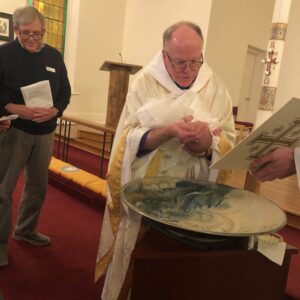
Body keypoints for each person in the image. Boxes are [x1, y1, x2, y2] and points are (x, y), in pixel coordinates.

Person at [95, 21, 236, 299]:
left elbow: (228, 139)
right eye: (179, 62)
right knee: (141, 264)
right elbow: (125, 140)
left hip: (195, 195)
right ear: (164, 55)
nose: (188, 70)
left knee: (183, 271)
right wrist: (168, 132)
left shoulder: (215, 85)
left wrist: (208, 144)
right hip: (147, 192)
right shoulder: (144, 83)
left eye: (195, 62)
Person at [0, 6, 71, 268]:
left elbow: (64, 93)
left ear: (44, 31)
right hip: (14, 131)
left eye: (37, 34)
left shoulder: (54, 55)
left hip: (45, 132)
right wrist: (12, 107)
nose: (32, 38)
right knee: (3, 190)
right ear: (16, 30)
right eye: (26, 33)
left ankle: (25, 230)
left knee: (38, 186)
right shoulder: (4, 54)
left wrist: (55, 110)